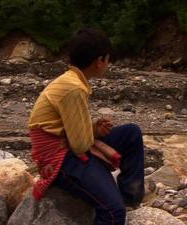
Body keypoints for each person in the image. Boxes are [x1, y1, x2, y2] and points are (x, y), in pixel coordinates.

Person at [28, 28, 144, 225]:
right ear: (99, 61)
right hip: (59, 157)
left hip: (68, 146)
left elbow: (73, 130)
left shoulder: (72, 81)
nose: (108, 64)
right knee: (113, 212)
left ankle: (129, 199)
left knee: (131, 133)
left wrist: (94, 129)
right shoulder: (73, 88)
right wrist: (92, 134)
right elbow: (80, 145)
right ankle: (119, 205)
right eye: (108, 59)